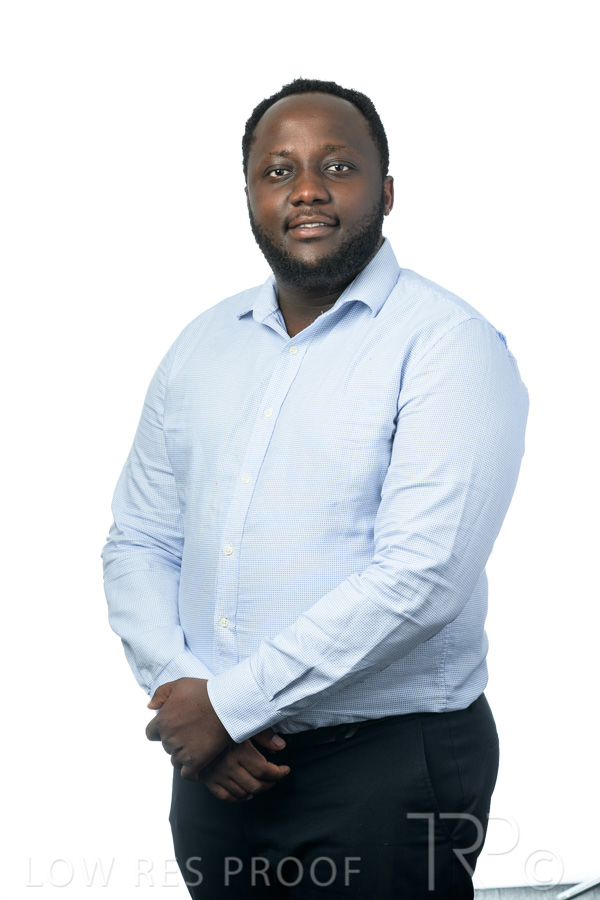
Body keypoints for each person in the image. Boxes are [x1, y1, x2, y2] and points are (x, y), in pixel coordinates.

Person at [102, 78, 528, 899]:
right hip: (217, 771)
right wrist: (188, 696)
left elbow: (422, 577)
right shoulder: (202, 345)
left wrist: (229, 707)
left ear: (386, 192)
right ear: (250, 196)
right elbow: (140, 539)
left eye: (337, 166)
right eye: (278, 171)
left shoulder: (449, 346)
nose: (306, 189)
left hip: (391, 768)